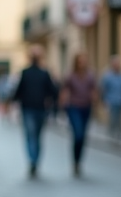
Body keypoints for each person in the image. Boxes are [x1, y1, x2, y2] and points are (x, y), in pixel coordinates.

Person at [13, 46, 58, 178]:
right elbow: (19, 90)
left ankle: (34, 160)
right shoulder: (26, 72)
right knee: (33, 136)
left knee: (34, 136)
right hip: (28, 109)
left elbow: (53, 91)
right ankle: (33, 160)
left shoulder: (44, 73)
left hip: (39, 109)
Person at [60, 52, 97, 176]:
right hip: (73, 107)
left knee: (82, 137)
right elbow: (65, 91)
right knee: (78, 134)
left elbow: (93, 90)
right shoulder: (70, 76)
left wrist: (95, 100)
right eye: (80, 61)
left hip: (86, 108)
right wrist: (62, 104)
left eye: (84, 60)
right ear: (76, 62)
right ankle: (75, 161)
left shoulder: (90, 75)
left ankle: (78, 162)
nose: (82, 63)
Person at [99, 55, 121, 141]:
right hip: (111, 101)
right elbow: (103, 89)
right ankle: (112, 136)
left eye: (118, 64)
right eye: (115, 64)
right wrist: (103, 101)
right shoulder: (107, 76)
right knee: (112, 120)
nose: (117, 65)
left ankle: (119, 136)